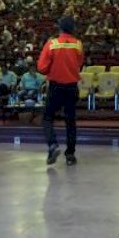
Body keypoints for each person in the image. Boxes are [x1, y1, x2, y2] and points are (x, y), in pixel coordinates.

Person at [38, 16, 83, 166]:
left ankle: (52, 144)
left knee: (47, 117)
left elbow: (42, 68)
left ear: (60, 28)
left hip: (56, 86)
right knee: (70, 121)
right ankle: (70, 155)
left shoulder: (52, 44)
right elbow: (80, 64)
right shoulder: (78, 44)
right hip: (71, 87)